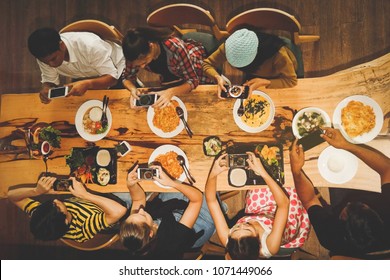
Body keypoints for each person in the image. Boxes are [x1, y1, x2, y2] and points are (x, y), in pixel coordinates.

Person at [290, 127, 390, 257]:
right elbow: (387, 168)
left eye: (348, 207)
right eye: (361, 205)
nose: (349, 202)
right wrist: (347, 145)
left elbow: (309, 200)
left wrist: (296, 171)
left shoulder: (331, 237)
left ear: (341, 218)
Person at [205, 152, 310, 259]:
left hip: (260, 210)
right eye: (247, 229)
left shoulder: (229, 240)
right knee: (288, 176)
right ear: (258, 242)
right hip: (286, 215)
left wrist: (213, 174)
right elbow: (284, 204)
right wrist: (262, 172)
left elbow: (211, 201)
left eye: (236, 229)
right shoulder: (271, 245)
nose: (242, 224)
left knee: (255, 179)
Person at [120, 164, 215, 259]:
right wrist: (172, 183)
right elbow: (196, 199)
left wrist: (131, 185)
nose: (140, 209)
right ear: (150, 233)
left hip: (170, 211)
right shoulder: (173, 239)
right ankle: (221, 207)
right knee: (203, 178)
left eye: (134, 213)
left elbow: (138, 200)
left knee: (173, 174)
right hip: (201, 221)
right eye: (142, 215)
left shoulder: (136, 225)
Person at [7, 176, 127, 242]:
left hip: (91, 196)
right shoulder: (81, 230)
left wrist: (36, 191)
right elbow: (119, 211)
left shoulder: (42, 215)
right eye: (57, 207)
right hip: (114, 204)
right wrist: (85, 195)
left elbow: (12, 196)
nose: (55, 200)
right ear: (66, 221)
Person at [121, 27, 214, 108]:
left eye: (145, 62)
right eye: (138, 65)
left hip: (192, 65)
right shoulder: (134, 53)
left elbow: (193, 80)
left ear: (151, 46)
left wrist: (171, 92)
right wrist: (132, 89)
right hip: (171, 75)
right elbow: (126, 77)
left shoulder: (176, 48)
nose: (142, 67)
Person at [28, 27, 126, 104]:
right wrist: (46, 88)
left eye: (53, 59)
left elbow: (112, 79)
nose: (51, 65)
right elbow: (49, 81)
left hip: (118, 68)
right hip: (88, 76)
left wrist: (88, 84)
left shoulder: (90, 46)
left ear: (61, 45)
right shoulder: (45, 56)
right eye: (46, 62)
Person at [202, 27, 298, 97]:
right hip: (254, 73)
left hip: (277, 77)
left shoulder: (279, 55)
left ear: (256, 55)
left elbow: (291, 81)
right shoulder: (230, 47)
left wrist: (265, 82)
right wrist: (217, 77)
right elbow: (207, 64)